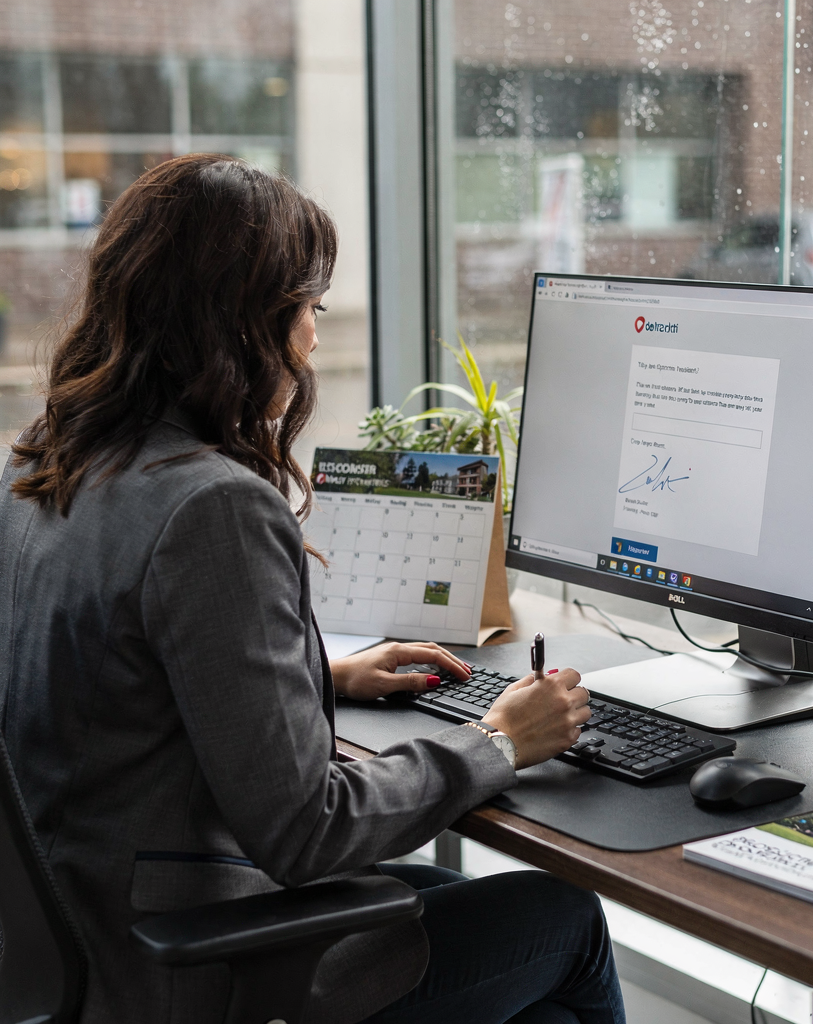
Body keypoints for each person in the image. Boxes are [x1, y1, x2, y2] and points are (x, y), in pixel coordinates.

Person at [0, 154, 625, 1024]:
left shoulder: (45, 460)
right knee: (564, 921)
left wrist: (319, 678)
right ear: (245, 322)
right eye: (308, 307)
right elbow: (308, 831)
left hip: (73, 932)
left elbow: (98, 676)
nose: (316, 336)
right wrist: (500, 742)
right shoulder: (211, 506)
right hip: (174, 967)